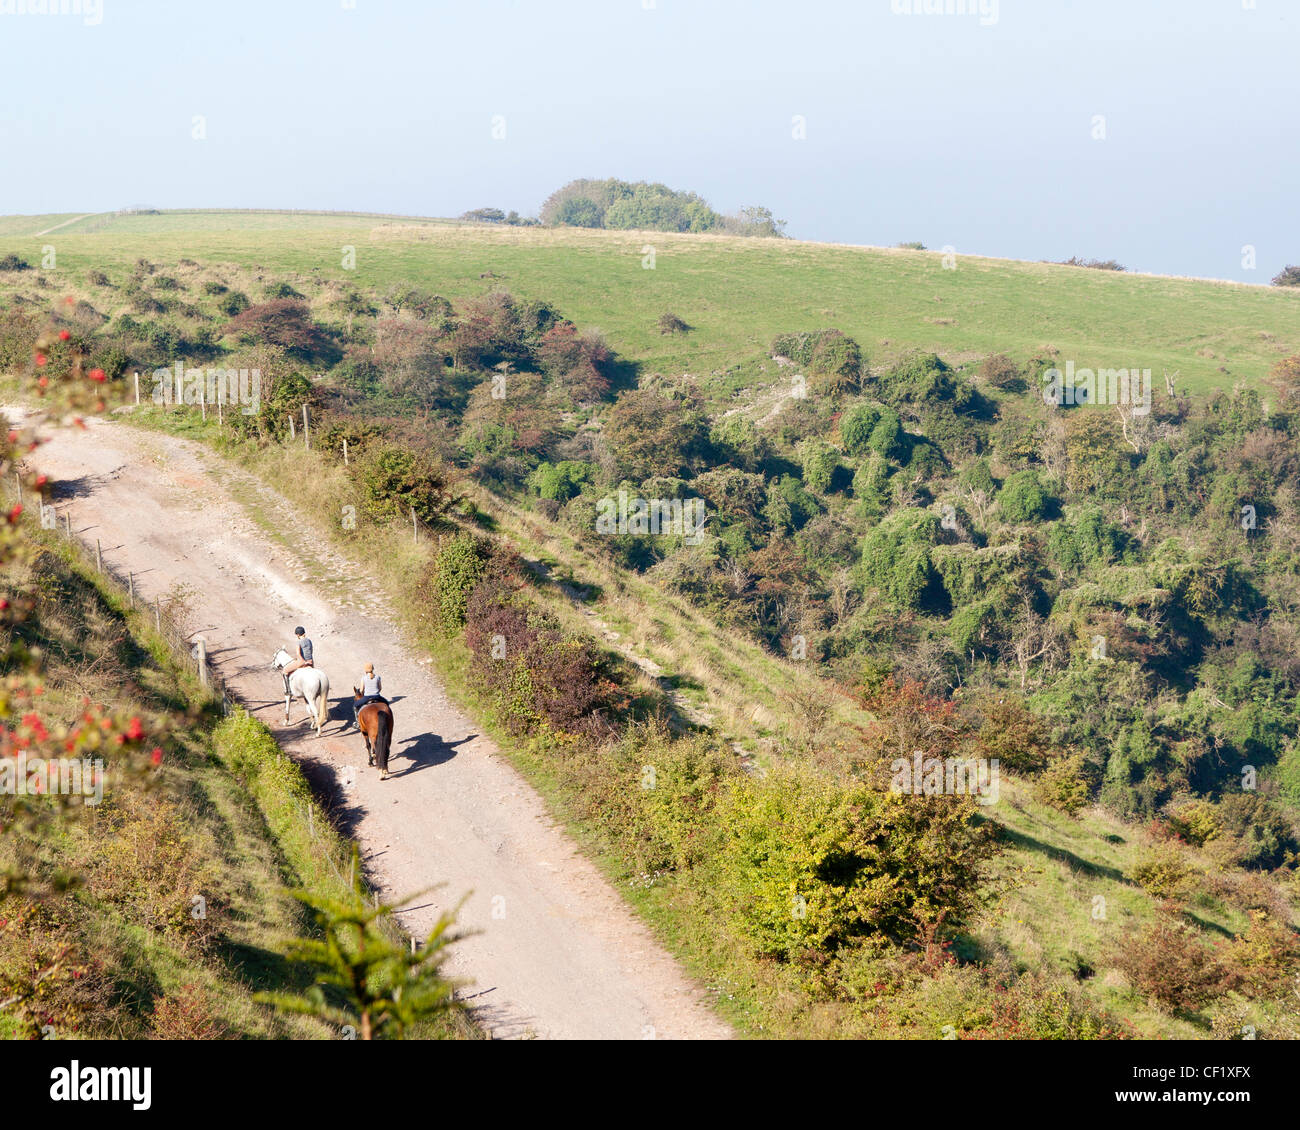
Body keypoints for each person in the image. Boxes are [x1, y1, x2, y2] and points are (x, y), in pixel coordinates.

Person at [352, 662, 387, 728]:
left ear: (365, 670)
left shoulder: (363, 678)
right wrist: (376, 692)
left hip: (367, 697)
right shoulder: (378, 677)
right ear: (373, 669)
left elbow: (361, 690)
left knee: (355, 706)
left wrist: (363, 694)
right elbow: (380, 688)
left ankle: (357, 723)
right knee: (386, 703)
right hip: (377, 696)